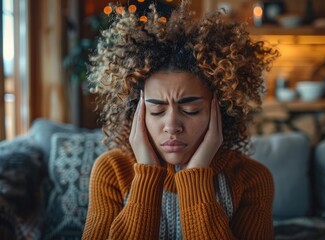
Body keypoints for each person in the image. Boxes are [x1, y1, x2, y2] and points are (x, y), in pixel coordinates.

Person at [82, 1, 279, 239]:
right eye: (156, 111)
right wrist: (147, 173)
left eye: (191, 110)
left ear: (221, 110)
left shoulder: (251, 179)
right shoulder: (112, 171)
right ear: (137, 112)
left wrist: (196, 174)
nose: (172, 126)